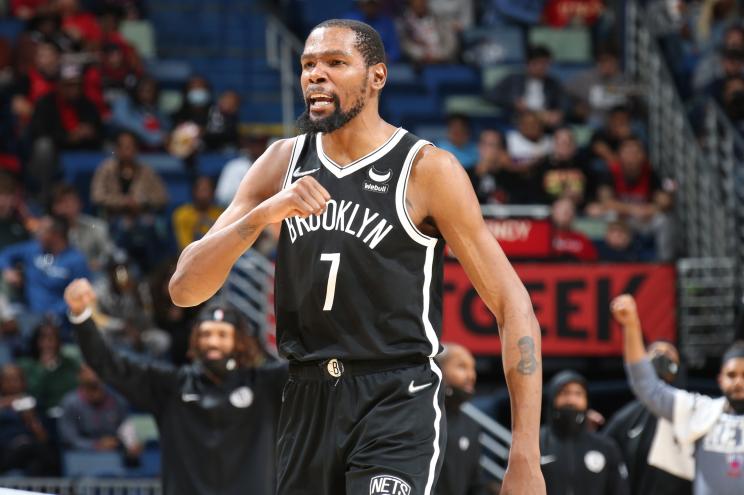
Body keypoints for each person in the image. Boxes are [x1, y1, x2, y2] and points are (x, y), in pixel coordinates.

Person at [169, 19, 544, 494]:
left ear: (377, 77)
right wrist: (263, 214)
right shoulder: (281, 161)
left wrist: (525, 455)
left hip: (394, 397)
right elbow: (185, 289)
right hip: (305, 396)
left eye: (335, 63)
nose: (315, 75)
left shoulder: (428, 170)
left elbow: (514, 306)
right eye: (308, 65)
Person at [64, 278, 286, 495]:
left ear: (239, 342)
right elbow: (109, 365)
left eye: (222, 334)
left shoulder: (266, 384)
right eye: (206, 334)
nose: (213, 342)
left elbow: (312, 369)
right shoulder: (172, 387)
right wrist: (81, 317)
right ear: (195, 339)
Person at [612, 294, 744, 495]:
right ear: (720, 379)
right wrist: (631, 325)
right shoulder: (702, 410)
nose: (738, 382)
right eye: (731, 375)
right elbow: (647, 386)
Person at [603, 340, 693, 495]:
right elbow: (601, 457)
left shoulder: (695, 411)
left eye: (669, 353)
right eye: (655, 351)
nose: (662, 355)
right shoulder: (625, 418)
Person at [540, 370, 630, 495]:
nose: (571, 400)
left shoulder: (605, 447)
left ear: (587, 400)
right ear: (552, 398)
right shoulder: (535, 443)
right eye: (564, 393)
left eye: (578, 394)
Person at [0, 215, 90, 330]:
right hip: (28, 313)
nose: (37, 233)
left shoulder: (76, 260)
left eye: (42, 230)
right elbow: (5, 254)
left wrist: (54, 312)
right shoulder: (34, 249)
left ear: (56, 235)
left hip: (59, 322)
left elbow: (80, 295)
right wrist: (9, 270)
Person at [435, 343, 487, 495]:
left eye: (473, 368)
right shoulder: (421, 418)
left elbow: (476, 482)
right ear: (439, 370)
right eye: (462, 367)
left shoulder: (471, 425)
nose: (471, 376)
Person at [58, 364, 140, 460]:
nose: (93, 375)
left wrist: (131, 444)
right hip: (81, 457)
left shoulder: (118, 400)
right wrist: (96, 445)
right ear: (79, 376)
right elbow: (69, 439)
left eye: (96, 370)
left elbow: (126, 427)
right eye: (88, 371)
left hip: (114, 455)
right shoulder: (70, 403)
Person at [486, 45, 566, 128]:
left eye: (545, 64)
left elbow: (563, 102)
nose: (542, 67)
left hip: (545, 124)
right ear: (528, 64)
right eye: (538, 63)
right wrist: (514, 103)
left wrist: (558, 113)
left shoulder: (553, 84)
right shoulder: (513, 80)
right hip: (518, 121)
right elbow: (490, 95)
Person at [17, 320, 81, 412]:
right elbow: (32, 395)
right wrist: (42, 368)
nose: (47, 343)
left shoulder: (69, 363)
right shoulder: (27, 365)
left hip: (70, 412)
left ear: (59, 341)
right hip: (43, 414)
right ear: (35, 341)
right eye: (42, 338)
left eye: (51, 338)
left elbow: (75, 390)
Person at [50, 183, 115, 272]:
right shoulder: (49, 231)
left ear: (79, 204)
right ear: (54, 207)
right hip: (57, 275)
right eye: (61, 202)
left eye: (70, 202)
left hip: (91, 275)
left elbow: (109, 253)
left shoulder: (96, 226)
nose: (66, 207)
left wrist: (99, 262)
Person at [397, 0, 458, 66]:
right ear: (411, 2)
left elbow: (450, 43)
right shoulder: (403, 23)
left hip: (442, 62)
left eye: (422, 1)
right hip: (418, 65)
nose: (420, 4)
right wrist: (422, 55)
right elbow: (406, 45)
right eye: (416, 1)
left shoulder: (439, 19)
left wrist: (438, 55)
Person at [172, 176, 224, 251]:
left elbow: (223, 243)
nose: (204, 195)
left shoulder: (221, 215)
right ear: (194, 191)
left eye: (207, 190)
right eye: (201, 190)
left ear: (213, 193)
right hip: (190, 256)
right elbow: (184, 246)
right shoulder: (182, 214)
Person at [549, 198, 598, 262]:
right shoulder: (543, 237)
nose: (565, 213)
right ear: (553, 212)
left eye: (569, 209)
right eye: (560, 209)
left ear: (574, 214)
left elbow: (593, 263)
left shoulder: (581, 239)